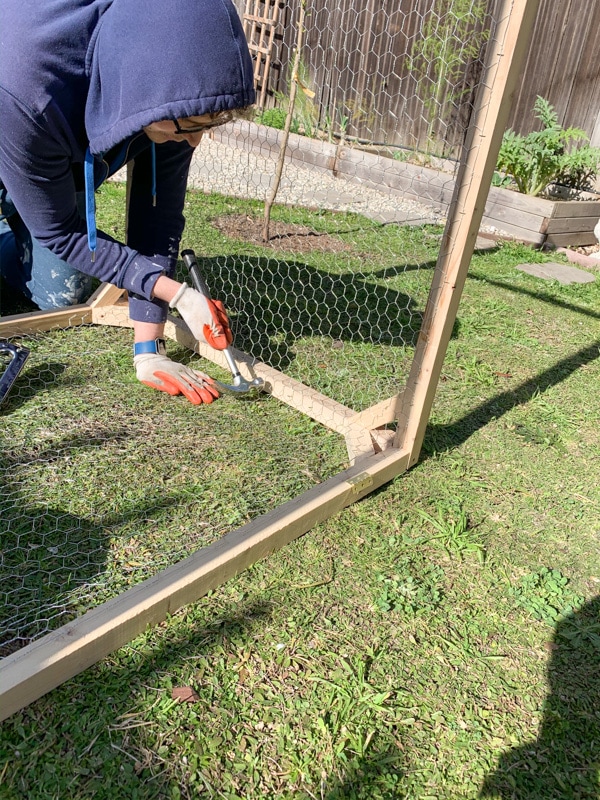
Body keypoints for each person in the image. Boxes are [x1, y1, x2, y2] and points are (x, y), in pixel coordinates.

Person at [0, 0, 256, 405]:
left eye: (204, 127)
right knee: (45, 225)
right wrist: (178, 295)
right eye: (191, 128)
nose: (195, 140)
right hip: (14, 119)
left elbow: (158, 213)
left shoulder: (174, 93)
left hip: (37, 152)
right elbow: (62, 232)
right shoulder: (29, 89)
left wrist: (148, 348)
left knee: (64, 292)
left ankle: (21, 213)